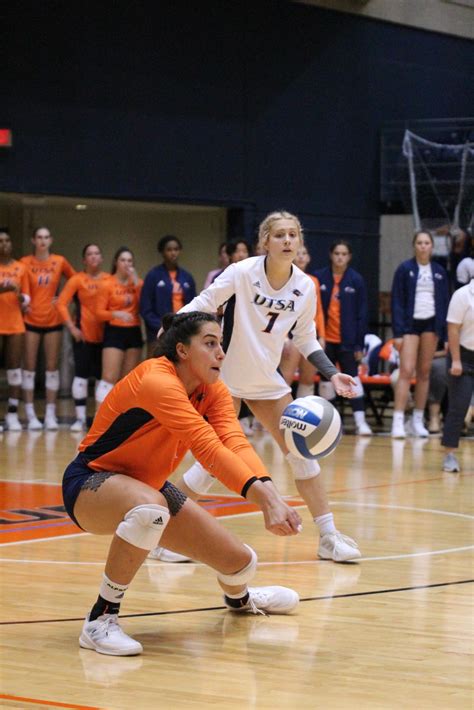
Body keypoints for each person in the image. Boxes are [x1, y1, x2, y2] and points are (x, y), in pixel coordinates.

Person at [62, 312, 302, 655]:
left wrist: (271, 494)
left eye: (221, 344)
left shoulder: (213, 390)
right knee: (149, 510)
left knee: (241, 563)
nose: (221, 352)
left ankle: (241, 600)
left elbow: (234, 442)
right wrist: (264, 500)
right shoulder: (156, 379)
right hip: (89, 482)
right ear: (182, 350)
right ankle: (100, 620)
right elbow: (206, 446)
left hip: (149, 486)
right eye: (210, 343)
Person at [160, 211, 361, 562]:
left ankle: (329, 537)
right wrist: (173, 325)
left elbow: (305, 337)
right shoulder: (242, 272)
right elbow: (206, 302)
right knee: (211, 464)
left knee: (303, 456)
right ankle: (162, 536)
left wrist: (332, 373)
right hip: (225, 379)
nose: (287, 241)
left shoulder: (305, 285)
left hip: (267, 382)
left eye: (293, 235)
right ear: (265, 241)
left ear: (300, 242)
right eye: (280, 235)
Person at [390, 231, 450, 438]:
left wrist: (445, 335)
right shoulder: (404, 269)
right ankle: (397, 419)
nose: (423, 246)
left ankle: (417, 419)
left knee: (425, 372)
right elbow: (396, 301)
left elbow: (445, 302)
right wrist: (398, 332)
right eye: (420, 242)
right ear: (414, 246)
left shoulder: (440, 271)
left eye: (427, 243)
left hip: (431, 324)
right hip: (409, 325)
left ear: (432, 247)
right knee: (406, 370)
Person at [314, 241, 372, 436]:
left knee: (352, 379)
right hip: (325, 340)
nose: (340, 257)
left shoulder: (356, 280)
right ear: (331, 255)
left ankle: (360, 421)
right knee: (326, 380)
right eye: (337, 253)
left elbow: (362, 314)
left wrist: (359, 344)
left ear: (349, 257)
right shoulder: (319, 277)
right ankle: (329, 423)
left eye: (344, 254)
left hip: (348, 341)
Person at [20, 227, 76, 430]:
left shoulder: (59, 261)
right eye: (39, 237)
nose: (43, 241)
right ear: (33, 240)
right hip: (30, 320)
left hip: (53, 321)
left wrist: (63, 300)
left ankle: (50, 414)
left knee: (52, 368)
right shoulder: (25, 262)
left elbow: (76, 280)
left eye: (46, 237)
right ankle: (30, 413)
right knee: (29, 368)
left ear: (51, 240)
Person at [56, 244, 110, 431]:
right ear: (84, 260)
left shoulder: (109, 279)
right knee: (81, 376)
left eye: (97, 253)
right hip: (83, 336)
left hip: (106, 338)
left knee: (104, 380)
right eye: (90, 254)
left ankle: (100, 419)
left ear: (102, 258)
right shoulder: (77, 280)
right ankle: (79, 419)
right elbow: (61, 304)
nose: (94, 257)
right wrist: (72, 328)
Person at [95, 247, 143, 404]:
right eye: (123, 260)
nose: (126, 264)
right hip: (114, 331)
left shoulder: (138, 283)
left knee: (128, 379)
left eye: (129, 261)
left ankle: (120, 419)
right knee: (109, 377)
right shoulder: (107, 283)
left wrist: (135, 280)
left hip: (133, 331)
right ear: (116, 262)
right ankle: (99, 415)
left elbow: (145, 304)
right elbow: (98, 312)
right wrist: (115, 314)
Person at [279, 244, 326, 399]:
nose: (300, 256)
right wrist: (283, 337)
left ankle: (302, 420)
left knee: (307, 380)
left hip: (309, 333)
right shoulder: (283, 279)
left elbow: (318, 311)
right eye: (297, 253)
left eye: (304, 253)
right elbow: (280, 310)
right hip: (290, 334)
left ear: (308, 258)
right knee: (284, 380)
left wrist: (322, 336)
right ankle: (264, 422)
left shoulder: (313, 281)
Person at [140, 235, 196, 357]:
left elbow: (194, 305)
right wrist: (162, 326)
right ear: (162, 252)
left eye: (176, 249)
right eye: (169, 250)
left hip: (182, 330)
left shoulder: (187, 277)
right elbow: (145, 308)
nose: (173, 253)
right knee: (156, 367)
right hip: (158, 332)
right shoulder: (153, 276)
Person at [441, 278, 474, 472]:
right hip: (462, 356)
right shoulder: (462, 295)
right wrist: (456, 360)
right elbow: (452, 329)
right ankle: (450, 455)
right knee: (458, 407)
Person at [0, 230, 30, 431]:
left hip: (15, 323)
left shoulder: (21, 267)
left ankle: (12, 414)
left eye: (7, 240)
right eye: (0, 241)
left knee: (14, 369)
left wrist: (18, 294)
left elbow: (27, 300)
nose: (4, 244)